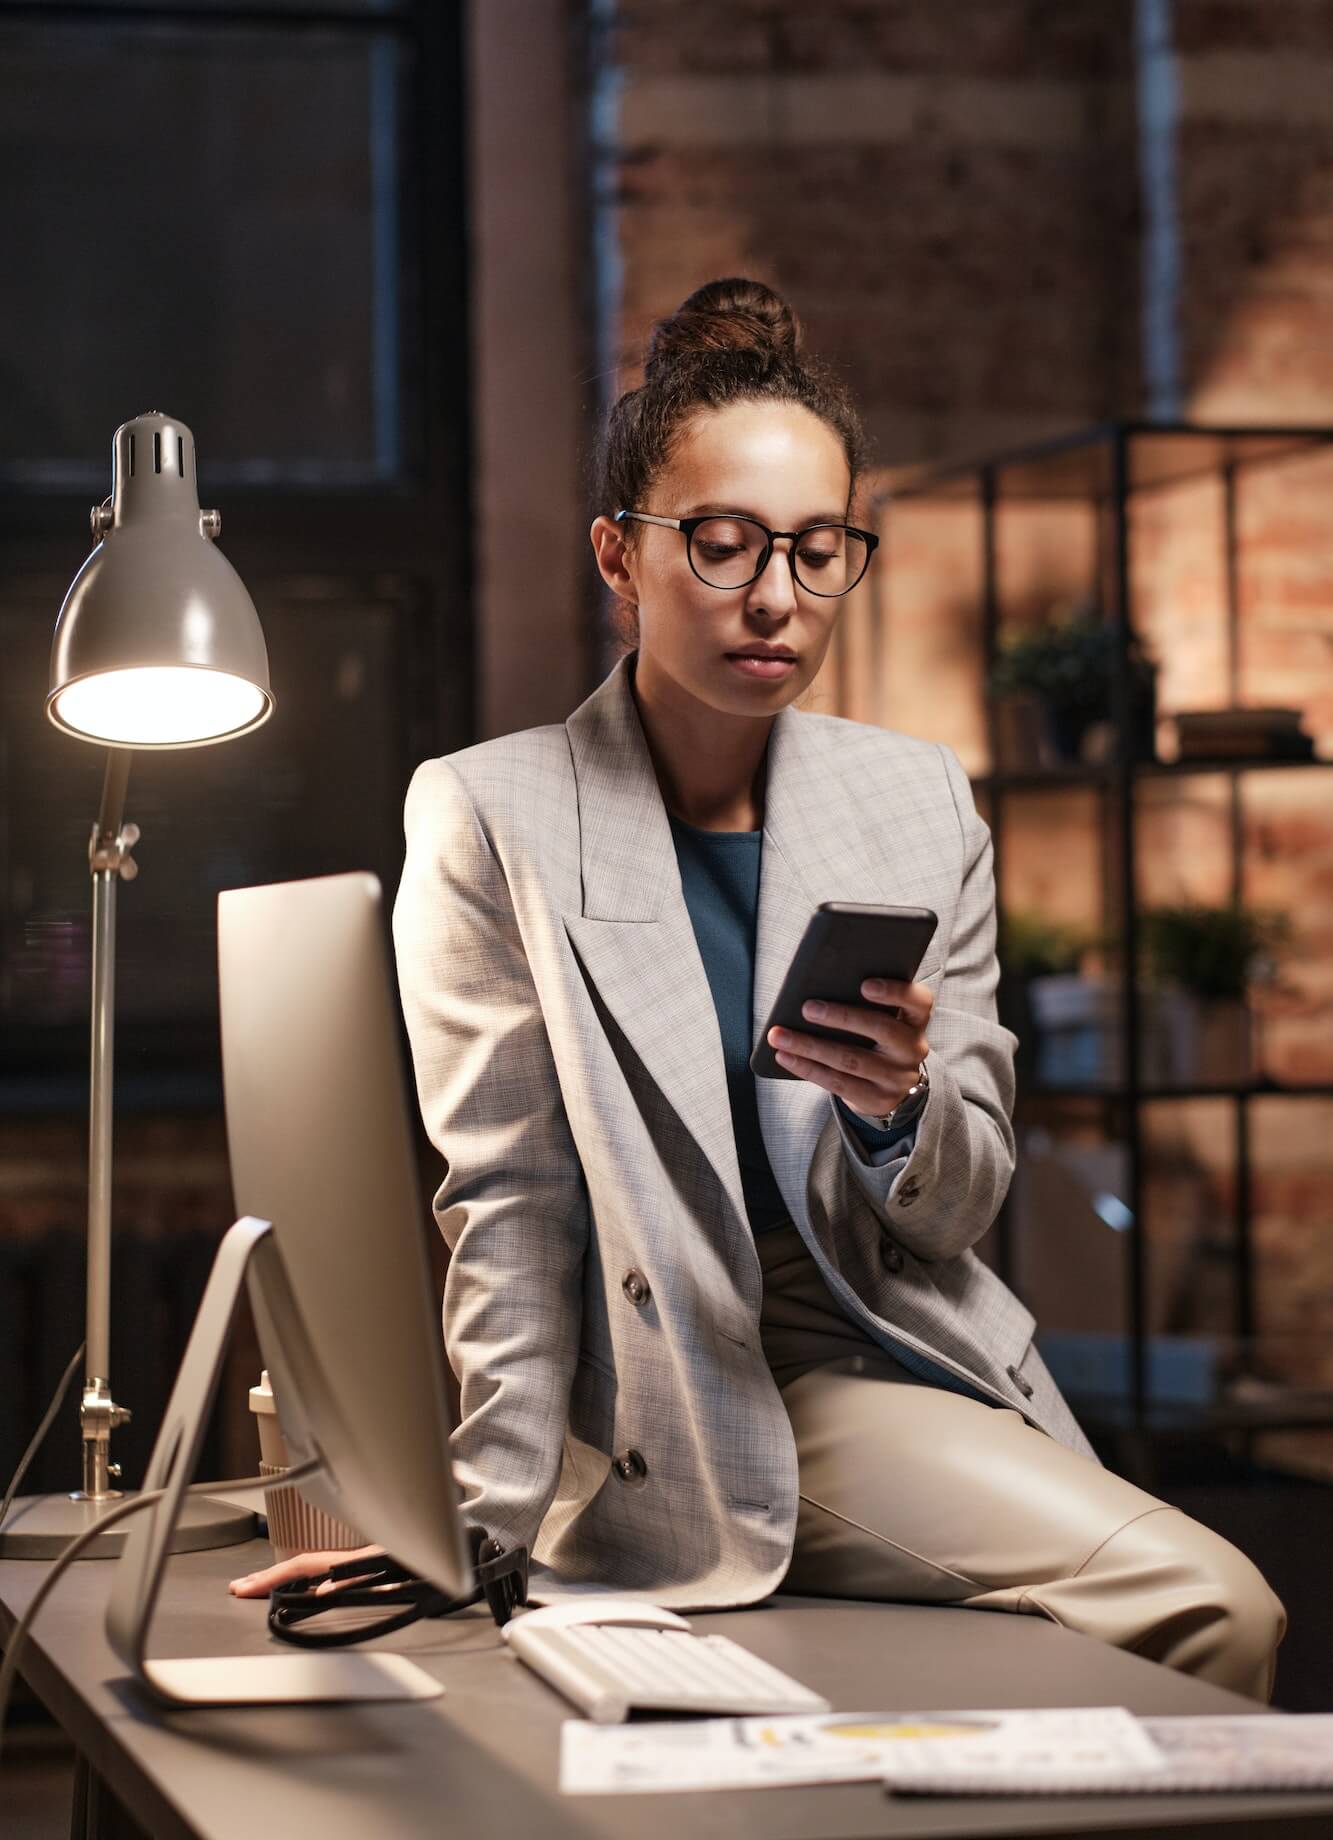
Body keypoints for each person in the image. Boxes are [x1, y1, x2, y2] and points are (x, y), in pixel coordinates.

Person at [231, 278, 1285, 1701]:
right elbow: (511, 1202)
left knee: (1170, 1631)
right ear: (620, 553)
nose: (775, 599)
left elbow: (965, 1207)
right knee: (1215, 1606)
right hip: (718, 1389)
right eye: (721, 548)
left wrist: (898, 1110)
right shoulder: (496, 813)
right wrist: (479, 1517)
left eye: (817, 550)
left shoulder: (912, 801)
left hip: (926, 1350)